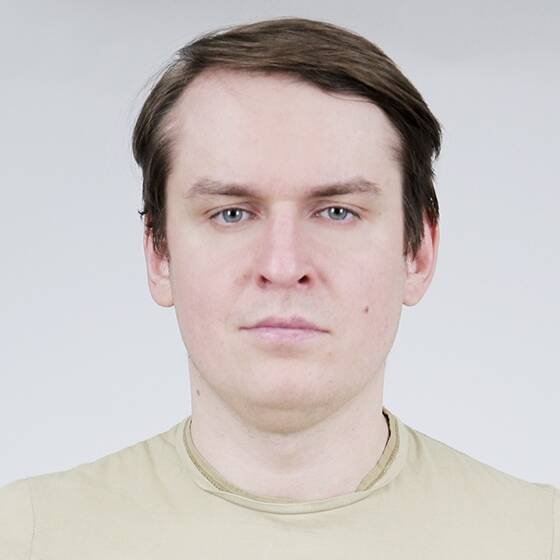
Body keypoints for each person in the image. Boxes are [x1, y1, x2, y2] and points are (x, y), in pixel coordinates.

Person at [0, 16, 557, 559]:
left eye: (337, 211)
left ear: (418, 252)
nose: (283, 266)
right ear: (159, 254)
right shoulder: (28, 537)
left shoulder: (542, 539)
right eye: (231, 213)